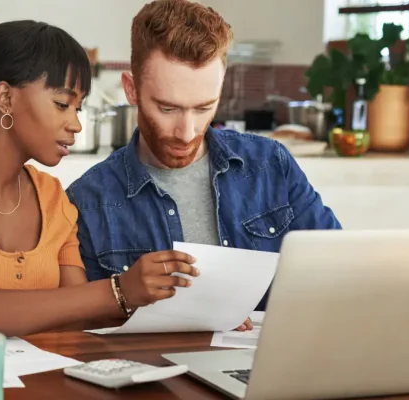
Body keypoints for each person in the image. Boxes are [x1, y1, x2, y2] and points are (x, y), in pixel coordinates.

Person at [0, 20, 202, 337]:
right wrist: (119, 289)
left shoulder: (52, 197)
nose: (75, 124)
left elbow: (79, 315)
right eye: (62, 104)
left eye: (78, 108)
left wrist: (192, 313)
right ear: (6, 98)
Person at [65, 0, 342, 316]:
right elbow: (87, 331)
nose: (187, 132)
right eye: (168, 109)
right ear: (131, 89)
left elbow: (336, 268)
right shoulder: (86, 201)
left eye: (203, 108)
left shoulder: (271, 164)